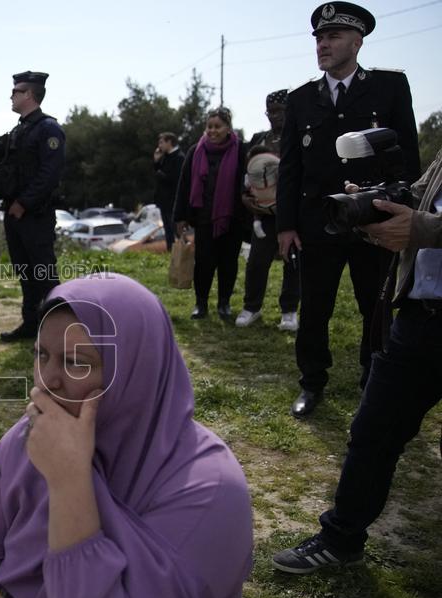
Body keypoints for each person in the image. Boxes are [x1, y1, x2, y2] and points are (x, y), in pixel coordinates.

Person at [0, 274, 256, 598]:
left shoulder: (210, 489)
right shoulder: (27, 442)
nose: (48, 380)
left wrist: (69, 484)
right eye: (41, 355)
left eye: (77, 363)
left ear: (136, 370)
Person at [272, 146, 442, 598]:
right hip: (420, 316)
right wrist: (377, 204)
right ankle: (341, 538)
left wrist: (422, 228)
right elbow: (423, 197)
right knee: (372, 432)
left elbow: (428, 222)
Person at [277, 1, 420, 418]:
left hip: (371, 218)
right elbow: (290, 168)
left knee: (372, 308)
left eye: (333, 36)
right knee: (315, 308)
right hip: (317, 222)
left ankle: (372, 383)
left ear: (356, 43)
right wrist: (286, 225)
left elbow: (407, 158)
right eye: (320, 37)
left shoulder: (389, 88)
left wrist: (399, 210)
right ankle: (311, 382)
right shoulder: (302, 98)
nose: (323, 43)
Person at [0, 71, 66, 343]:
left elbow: (49, 174)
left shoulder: (48, 128)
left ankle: (59, 330)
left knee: (44, 272)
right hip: (13, 212)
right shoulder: (20, 129)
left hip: (35, 214)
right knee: (25, 272)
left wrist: (24, 203)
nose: (11, 95)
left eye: (16, 91)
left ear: (29, 94)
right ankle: (31, 324)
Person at [174, 107, 249, 320]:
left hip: (231, 218)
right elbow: (184, 185)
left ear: (228, 128)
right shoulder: (195, 151)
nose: (212, 131)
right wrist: (180, 217)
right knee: (204, 263)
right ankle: (201, 303)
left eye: (218, 126)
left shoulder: (241, 150)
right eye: (209, 127)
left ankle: (224, 303)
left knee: (228, 263)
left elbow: (247, 184)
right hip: (204, 218)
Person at [236, 90, 301, 331]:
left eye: (279, 111)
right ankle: (251, 307)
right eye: (270, 112)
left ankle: (289, 311)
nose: (274, 116)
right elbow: (246, 176)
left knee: (292, 262)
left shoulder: (298, 138)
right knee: (256, 262)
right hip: (262, 215)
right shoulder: (258, 139)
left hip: (292, 213)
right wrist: (245, 198)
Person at [153, 132, 185, 251]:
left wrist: (160, 174)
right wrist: (156, 162)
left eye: (162, 142)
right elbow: (158, 173)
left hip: (173, 200)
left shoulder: (179, 157)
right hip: (164, 200)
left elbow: (175, 179)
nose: (159, 146)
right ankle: (170, 251)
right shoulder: (164, 157)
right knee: (167, 229)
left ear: (169, 142)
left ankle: (184, 252)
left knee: (176, 229)